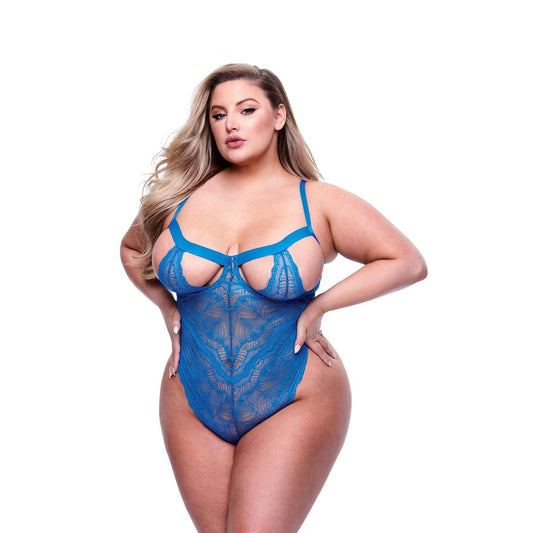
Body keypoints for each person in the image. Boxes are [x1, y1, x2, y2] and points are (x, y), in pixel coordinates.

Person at [120, 63, 427, 533]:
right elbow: (130, 248)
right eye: (219, 115)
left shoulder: (318, 201)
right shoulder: (178, 198)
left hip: (295, 391)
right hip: (190, 395)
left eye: (247, 110)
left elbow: (406, 261)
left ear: (279, 116)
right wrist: (167, 306)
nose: (231, 124)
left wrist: (321, 305)